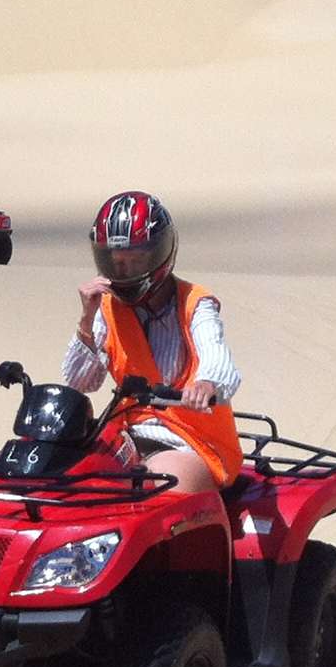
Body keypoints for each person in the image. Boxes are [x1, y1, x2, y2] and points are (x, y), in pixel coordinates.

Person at [62, 190, 244, 499]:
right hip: (124, 437)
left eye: (136, 261)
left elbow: (217, 354)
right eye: (117, 262)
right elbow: (80, 382)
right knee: (66, 477)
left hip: (190, 441)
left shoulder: (195, 305)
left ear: (160, 254)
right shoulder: (107, 308)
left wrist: (207, 384)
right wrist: (86, 318)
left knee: (155, 489)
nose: (125, 272)